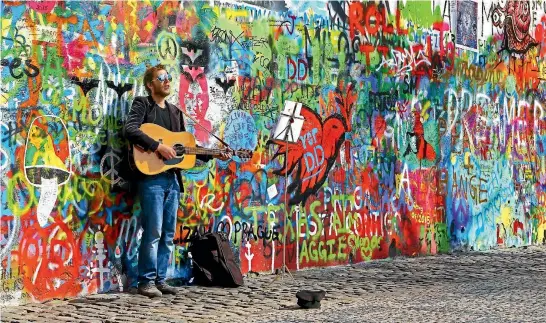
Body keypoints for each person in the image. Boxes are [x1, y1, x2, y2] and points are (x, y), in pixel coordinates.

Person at [124, 64, 230, 297]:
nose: (167, 81)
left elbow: (183, 148)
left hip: (172, 180)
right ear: (150, 84)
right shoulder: (143, 104)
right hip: (151, 178)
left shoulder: (175, 112)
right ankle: (146, 282)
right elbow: (130, 129)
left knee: (168, 234)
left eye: (169, 77)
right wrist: (158, 146)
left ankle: (161, 279)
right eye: (161, 78)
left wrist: (213, 154)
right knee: (153, 231)